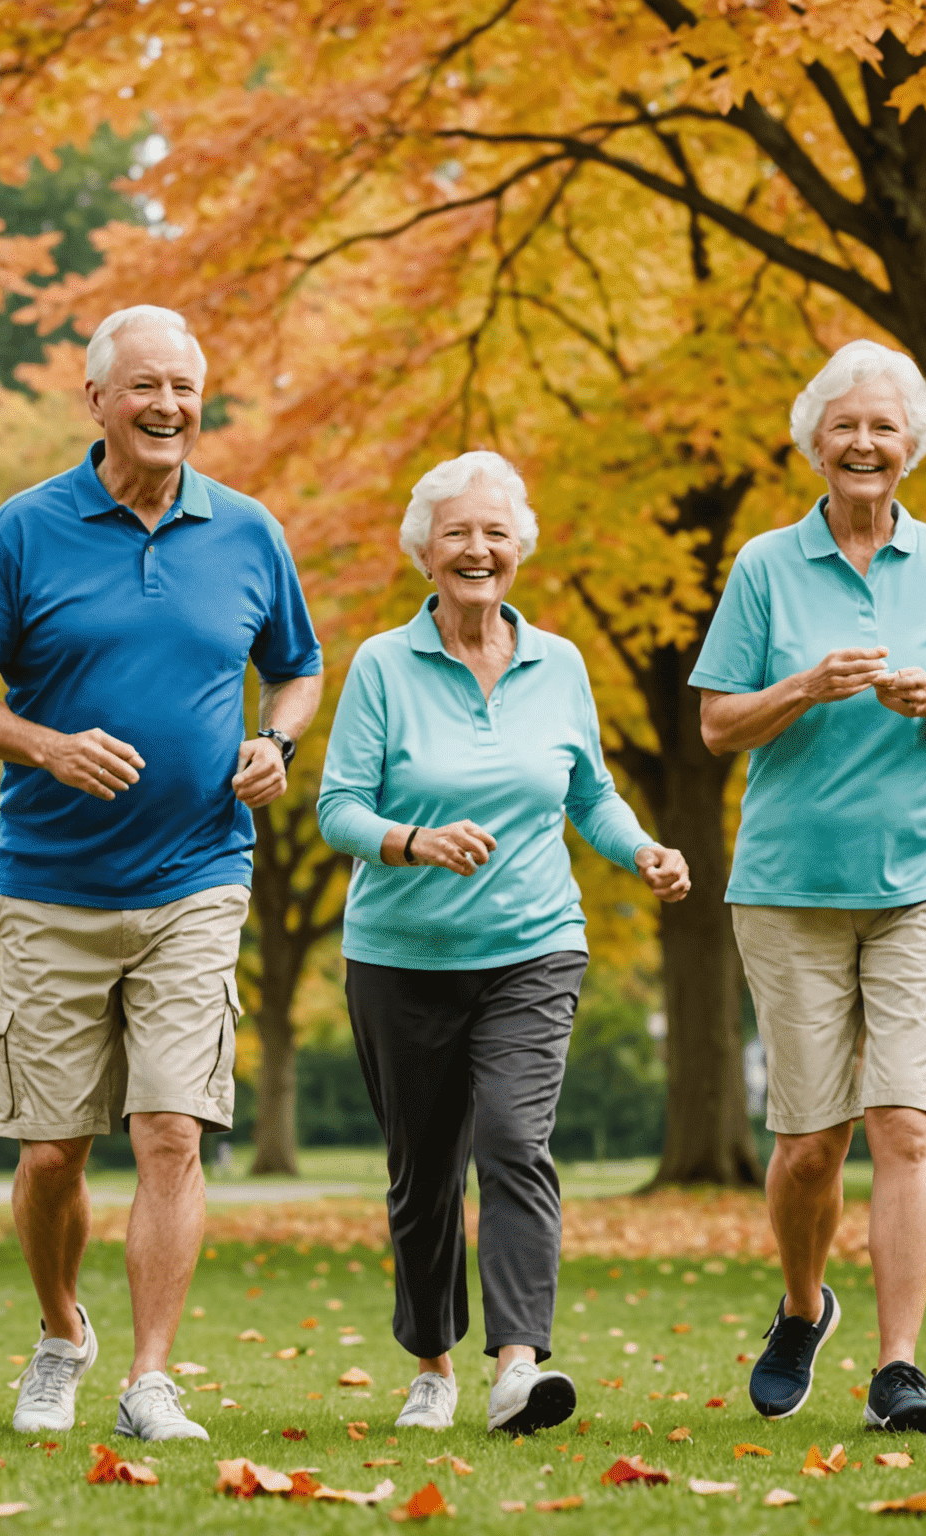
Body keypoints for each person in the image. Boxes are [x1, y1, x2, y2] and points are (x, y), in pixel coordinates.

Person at [0, 305, 323, 1442]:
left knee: (171, 1131)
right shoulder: (23, 529)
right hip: (52, 878)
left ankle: (151, 1377)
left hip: (199, 873)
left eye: (185, 387)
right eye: (143, 386)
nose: (167, 407)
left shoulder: (247, 531)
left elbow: (295, 668)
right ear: (95, 401)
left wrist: (276, 743)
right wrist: (49, 746)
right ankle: (62, 1333)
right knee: (54, 1149)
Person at [316, 450, 690, 1436]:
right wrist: (410, 841)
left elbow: (590, 796)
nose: (477, 549)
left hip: (534, 946)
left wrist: (643, 848)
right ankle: (433, 1367)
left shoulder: (558, 663)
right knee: (422, 1172)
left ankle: (518, 1368)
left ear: (519, 547)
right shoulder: (383, 668)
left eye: (494, 534)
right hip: (400, 957)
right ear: (424, 554)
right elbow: (336, 809)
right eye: (457, 535)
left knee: (516, 1143)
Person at [690, 339, 926, 1434]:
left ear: (910, 445)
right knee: (808, 1143)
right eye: (845, 426)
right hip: (789, 885)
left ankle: (899, 1368)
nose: (865, 443)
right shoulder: (764, 568)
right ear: (815, 444)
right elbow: (717, 724)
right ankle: (800, 1307)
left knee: (907, 1127)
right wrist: (802, 686)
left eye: (884, 427)